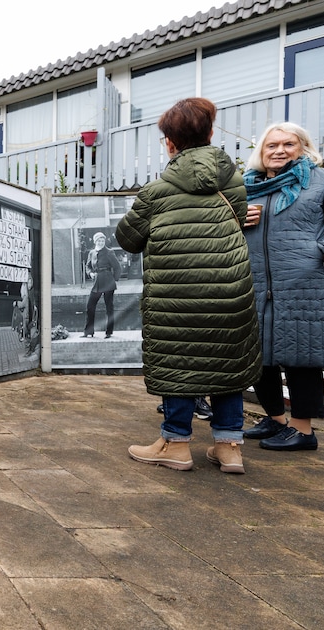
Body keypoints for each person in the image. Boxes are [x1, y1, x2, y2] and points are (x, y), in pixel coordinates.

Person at [115, 97, 261, 474]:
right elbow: (239, 222)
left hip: (174, 294)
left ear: (169, 143)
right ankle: (229, 447)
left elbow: (127, 239)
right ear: (211, 134)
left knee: (179, 361)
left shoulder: (156, 192)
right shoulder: (234, 184)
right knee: (227, 360)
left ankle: (175, 444)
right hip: (230, 290)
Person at [239, 122, 324, 451]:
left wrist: (322, 251)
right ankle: (276, 419)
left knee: (301, 357)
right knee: (260, 357)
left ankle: (303, 429)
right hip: (254, 285)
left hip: (306, 286)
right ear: (261, 152)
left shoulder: (323, 180)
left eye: (288, 144)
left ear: (303, 148)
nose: (279, 151)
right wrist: (237, 220)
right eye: (272, 146)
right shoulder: (247, 187)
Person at [82, 232, 120, 339]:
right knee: (90, 306)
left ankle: (109, 332)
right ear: (95, 242)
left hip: (108, 281)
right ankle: (88, 332)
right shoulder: (92, 253)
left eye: (102, 240)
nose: (101, 242)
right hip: (96, 282)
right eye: (99, 240)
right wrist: (90, 273)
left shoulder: (109, 252)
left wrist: (114, 279)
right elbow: (88, 266)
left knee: (109, 308)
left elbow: (117, 267)